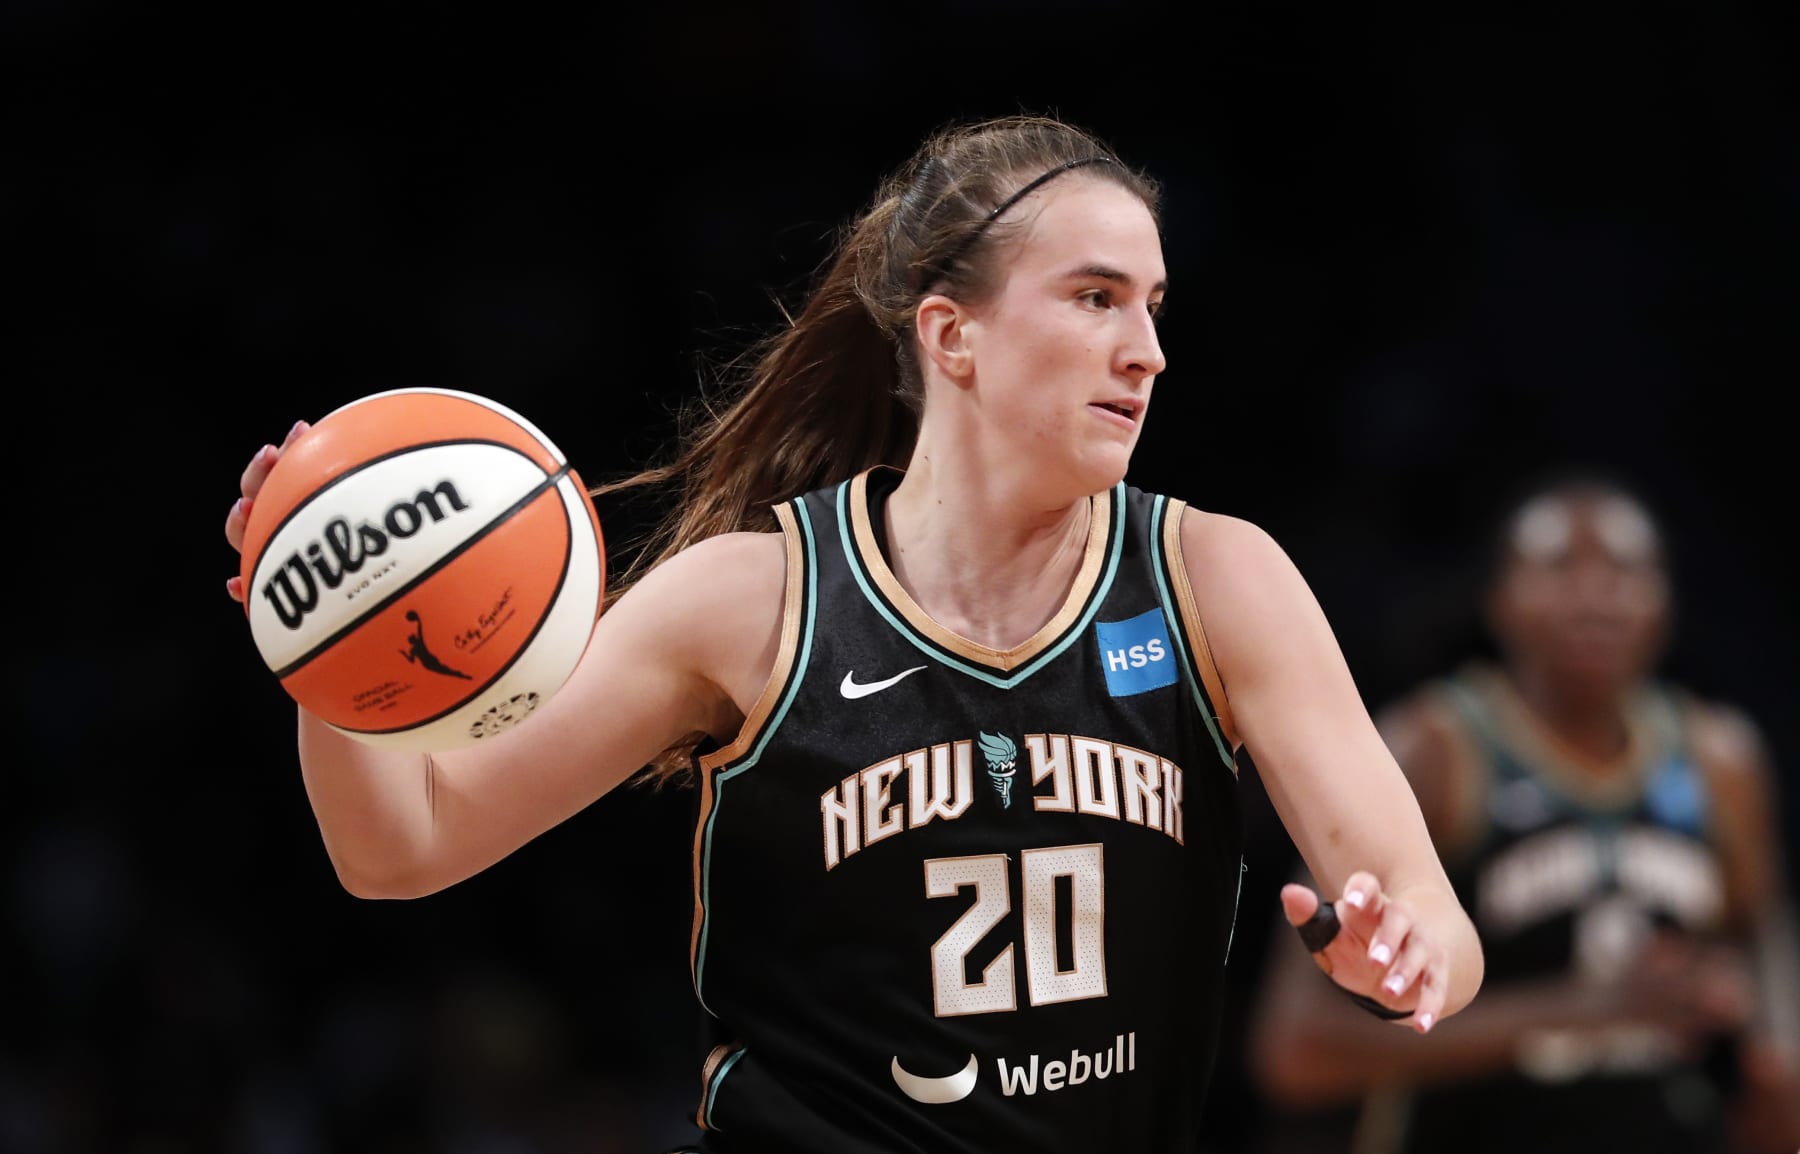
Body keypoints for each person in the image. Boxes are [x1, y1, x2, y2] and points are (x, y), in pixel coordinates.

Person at [223, 113, 1483, 1154]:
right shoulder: (753, 598)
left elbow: (1430, 909)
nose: (1146, 350)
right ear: (953, 335)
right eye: (1096, 298)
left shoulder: (1215, 575)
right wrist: (337, 644)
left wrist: (1408, 954)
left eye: (1154, 305)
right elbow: (407, 845)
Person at [1246, 469, 1800, 1154]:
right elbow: (1295, 1052)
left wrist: (1772, 1056)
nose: (1597, 596)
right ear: (1499, 599)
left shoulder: (1720, 757)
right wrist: (1584, 1011)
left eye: (1627, 569)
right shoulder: (1435, 750)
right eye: (1561, 567)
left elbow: (1761, 935)